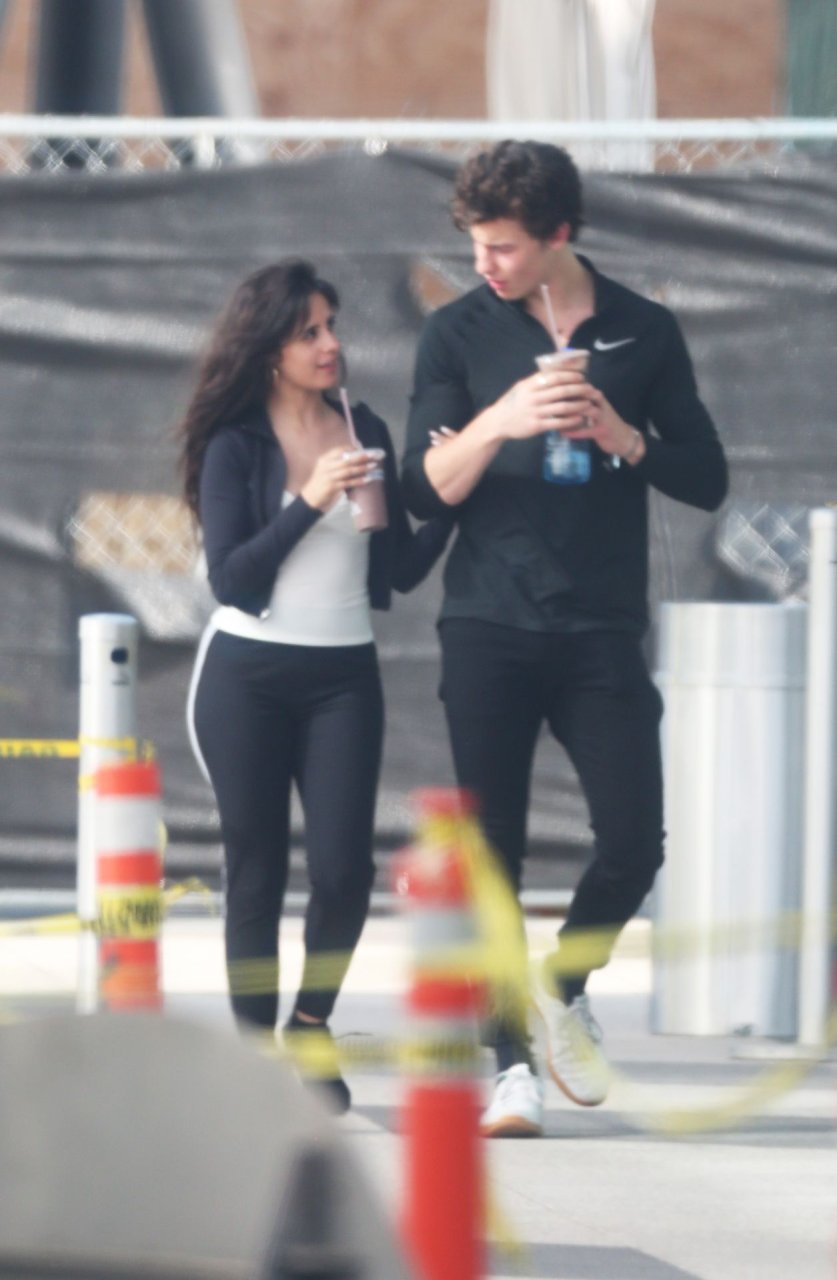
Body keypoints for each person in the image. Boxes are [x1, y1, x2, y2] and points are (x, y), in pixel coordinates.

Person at [402, 140, 728, 1137]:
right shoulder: (457, 332)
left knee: (634, 840)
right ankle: (510, 1066)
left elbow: (705, 476)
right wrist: (499, 419)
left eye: (502, 246)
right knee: (492, 853)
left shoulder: (643, 329)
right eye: (474, 244)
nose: (484, 264)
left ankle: (564, 980)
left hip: (600, 623)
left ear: (558, 234)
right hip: (487, 621)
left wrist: (623, 438)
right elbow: (424, 487)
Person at [180, 259, 451, 1113]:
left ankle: (309, 1022)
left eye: (332, 326)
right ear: (270, 349)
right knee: (256, 870)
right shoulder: (236, 444)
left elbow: (397, 568)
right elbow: (233, 579)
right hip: (246, 675)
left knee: (342, 873)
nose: (331, 343)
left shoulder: (362, 425)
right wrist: (308, 499)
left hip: (342, 676)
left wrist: (452, 494)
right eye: (309, 332)